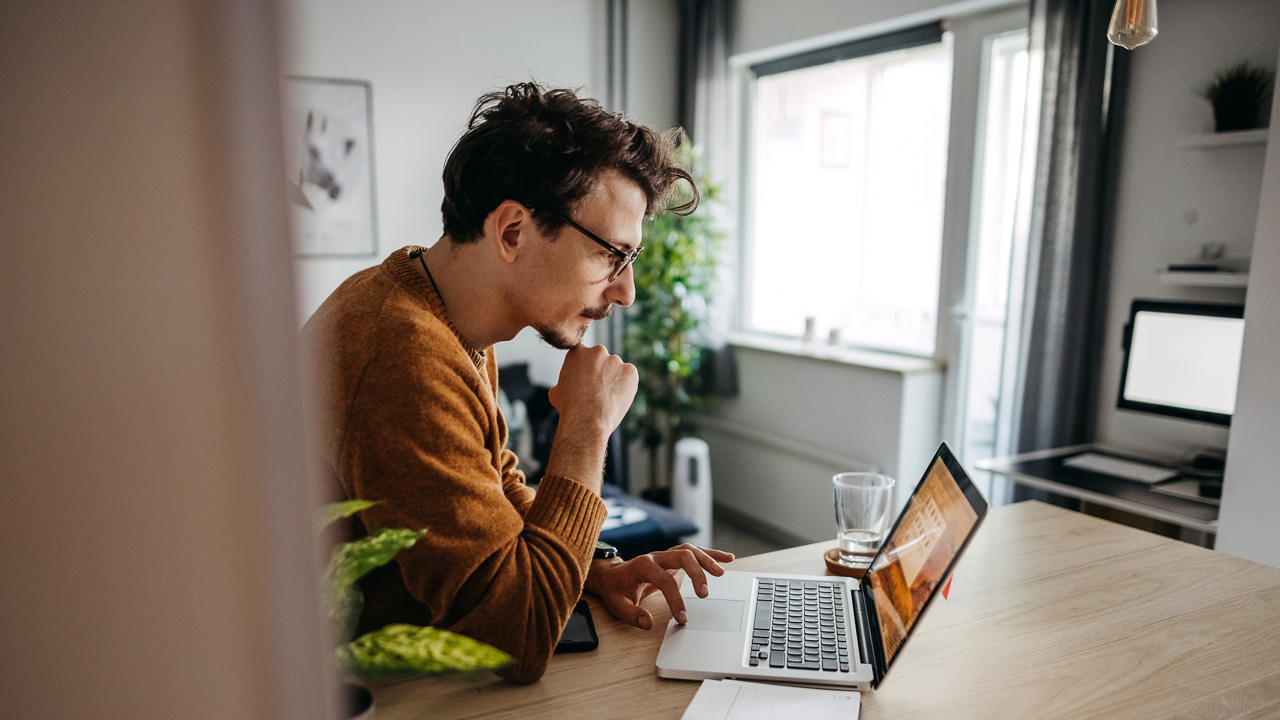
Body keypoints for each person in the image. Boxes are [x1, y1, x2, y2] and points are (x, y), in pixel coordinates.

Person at [303, 81, 735, 683]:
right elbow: (518, 632)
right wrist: (586, 426)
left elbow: (500, 493)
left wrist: (596, 566)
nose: (626, 291)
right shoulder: (401, 350)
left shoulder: (438, 309)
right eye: (612, 254)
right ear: (512, 232)